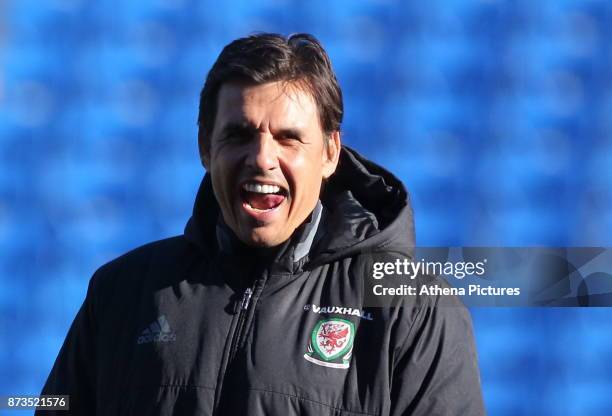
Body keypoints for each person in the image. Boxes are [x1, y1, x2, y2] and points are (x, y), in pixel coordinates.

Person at [39, 33, 485, 415]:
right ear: (204, 147)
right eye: (238, 135)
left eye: (288, 138)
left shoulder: (415, 309)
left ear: (330, 153)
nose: (261, 159)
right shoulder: (122, 292)